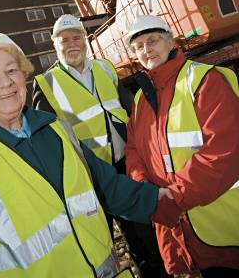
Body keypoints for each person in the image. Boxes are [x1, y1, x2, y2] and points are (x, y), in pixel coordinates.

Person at [0, 32, 173, 278]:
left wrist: (163, 199)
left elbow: (108, 185)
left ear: (24, 75)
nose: (6, 82)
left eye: (12, 70)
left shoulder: (58, 130)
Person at [32, 14, 168, 277]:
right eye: (65, 40)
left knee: (144, 237)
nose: (72, 44)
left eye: (77, 38)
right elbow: (49, 142)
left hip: (124, 167)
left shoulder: (105, 68)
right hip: (89, 177)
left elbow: (129, 108)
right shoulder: (46, 84)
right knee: (101, 245)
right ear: (55, 45)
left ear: (85, 40)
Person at [124, 14, 239, 278]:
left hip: (223, 227)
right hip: (181, 230)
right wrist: (144, 186)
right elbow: (134, 150)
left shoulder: (203, 80)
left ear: (170, 41)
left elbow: (225, 151)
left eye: (152, 40)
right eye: (139, 46)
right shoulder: (142, 98)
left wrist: (172, 198)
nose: (146, 49)